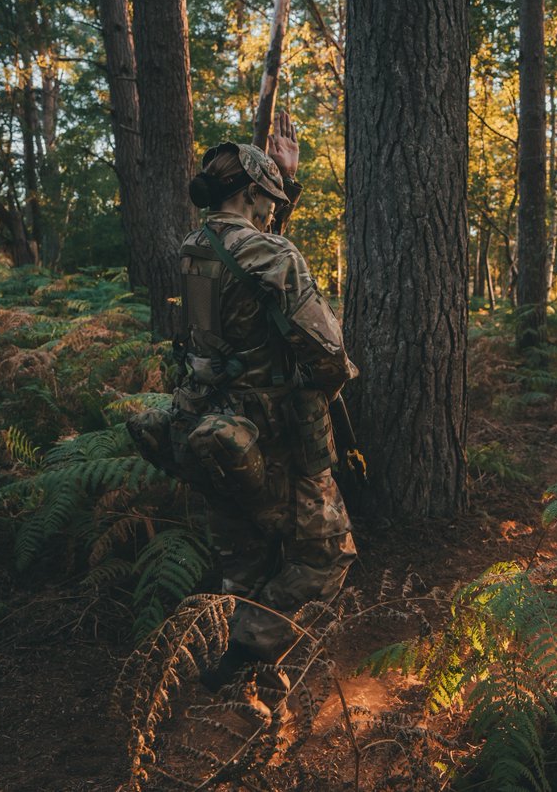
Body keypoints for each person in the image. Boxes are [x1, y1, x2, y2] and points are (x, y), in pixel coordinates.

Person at [164, 119, 358, 722]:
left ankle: (239, 686)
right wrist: (329, 381)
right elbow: (326, 353)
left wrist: (285, 178)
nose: (276, 212)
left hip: (213, 427)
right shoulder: (273, 253)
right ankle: (247, 651)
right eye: (269, 199)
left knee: (244, 554)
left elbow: (247, 265)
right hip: (276, 433)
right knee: (325, 553)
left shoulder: (194, 246)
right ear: (248, 194)